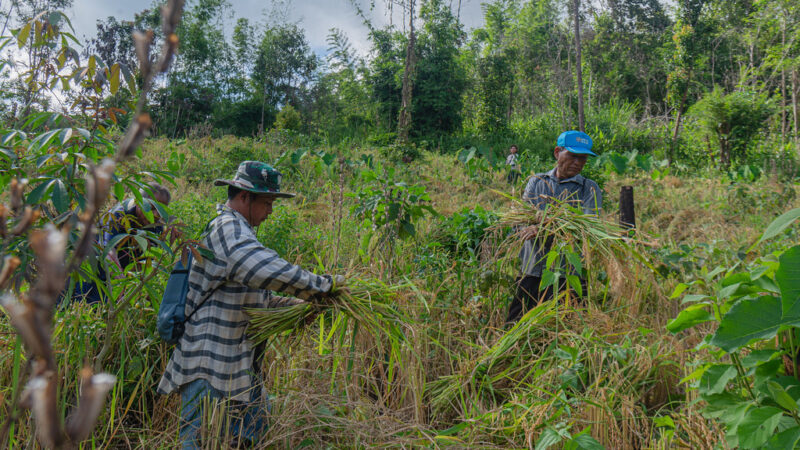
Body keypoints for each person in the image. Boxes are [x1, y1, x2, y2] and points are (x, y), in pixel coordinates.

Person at [157, 161, 344, 448]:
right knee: (200, 442)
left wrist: (301, 308)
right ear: (245, 197)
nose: (270, 211)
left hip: (238, 367)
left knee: (251, 433)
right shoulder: (226, 229)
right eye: (267, 202)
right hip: (208, 366)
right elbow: (263, 269)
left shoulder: (242, 234)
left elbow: (259, 300)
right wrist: (322, 286)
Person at [506, 131, 602, 324]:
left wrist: (543, 228)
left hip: (568, 273)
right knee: (515, 324)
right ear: (557, 152)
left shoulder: (588, 189)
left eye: (583, 158)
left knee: (567, 328)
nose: (578, 162)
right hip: (532, 268)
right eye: (573, 156)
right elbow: (520, 220)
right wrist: (526, 228)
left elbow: (585, 228)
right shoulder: (537, 182)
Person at [67, 182, 172, 304]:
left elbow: (146, 260)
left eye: (160, 210)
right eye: (151, 207)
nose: (155, 214)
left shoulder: (157, 227)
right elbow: (109, 252)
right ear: (138, 202)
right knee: (83, 302)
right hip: (95, 262)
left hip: (121, 268)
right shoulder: (121, 213)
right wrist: (121, 281)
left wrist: (134, 285)